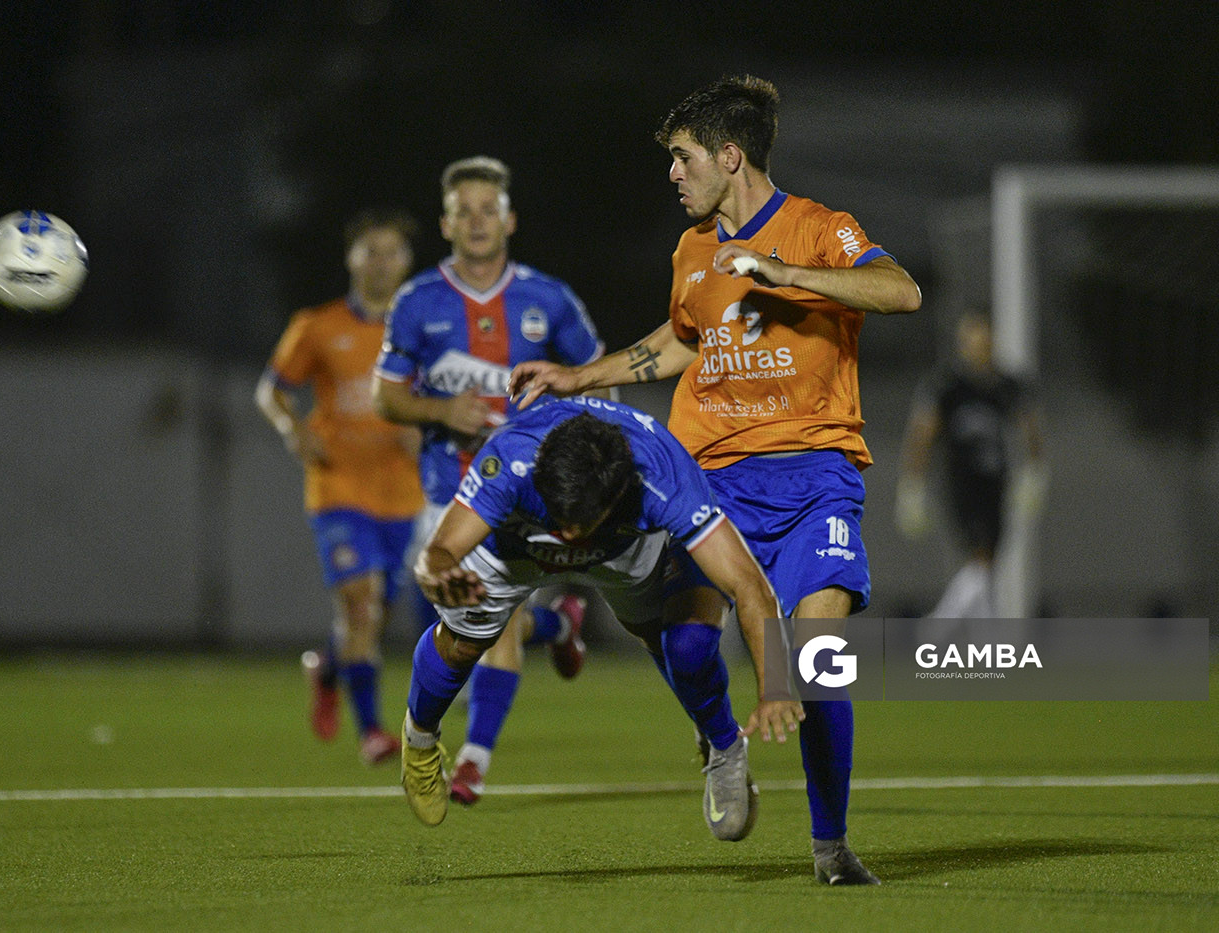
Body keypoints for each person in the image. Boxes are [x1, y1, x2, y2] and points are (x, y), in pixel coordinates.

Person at [509, 75, 921, 885]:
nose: (673, 174)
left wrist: (787, 274)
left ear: (730, 156)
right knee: (692, 643)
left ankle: (831, 847)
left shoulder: (816, 228)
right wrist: (577, 375)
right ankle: (721, 744)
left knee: (819, 660)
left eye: (683, 157)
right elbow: (683, 339)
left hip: (814, 480)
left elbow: (899, 290)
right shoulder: (693, 250)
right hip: (713, 481)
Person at [399, 398, 803, 837]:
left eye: (579, 522)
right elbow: (435, 555)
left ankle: (725, 746)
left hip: (621, 547)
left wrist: (776, 683)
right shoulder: (511, 458)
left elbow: (747, 583)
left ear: (619, 493)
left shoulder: (662, 474)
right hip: (516, 547)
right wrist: (437, 576)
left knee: (671, 641)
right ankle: (419, 741)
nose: (569, 535)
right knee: (462, 644)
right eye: (561, 517)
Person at [372, 155, 602, 806]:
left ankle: (472, 758)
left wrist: (567, 442)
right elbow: (386, 395)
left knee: (492, 619)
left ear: (510, 220)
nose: (477, 221)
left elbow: (597, 377)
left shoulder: (548, 299)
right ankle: (559, 627)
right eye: (464, 210)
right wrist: (441, 409)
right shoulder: (418, 301)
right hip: (449, 490)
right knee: (480, 618)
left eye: (488, 209)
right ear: (446, 223)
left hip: (526, 494)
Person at [256, 207, 426, 766]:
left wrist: (427, 430)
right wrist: (293, 429)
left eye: (393, 251)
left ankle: (326, 670)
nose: (382, 262)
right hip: (338, 487)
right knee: (361, 607)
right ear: (351, 258)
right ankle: (373, 732)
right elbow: (272, 390)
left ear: (408, 261)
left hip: (404, 493)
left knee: (372, 616)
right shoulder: (318, 326)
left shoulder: (427, 327)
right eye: (370, 250)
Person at [896, 311, 1046, 618]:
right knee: (981, 560)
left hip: (996, 480)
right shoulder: (946, 387)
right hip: (960, 481)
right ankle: (939, 627)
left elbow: (1030, 429)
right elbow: (922, 434)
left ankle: (983, 639)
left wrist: (1035, 473)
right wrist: (912, 486)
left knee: (986, 562)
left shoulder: (1006, 385)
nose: (977, 348)